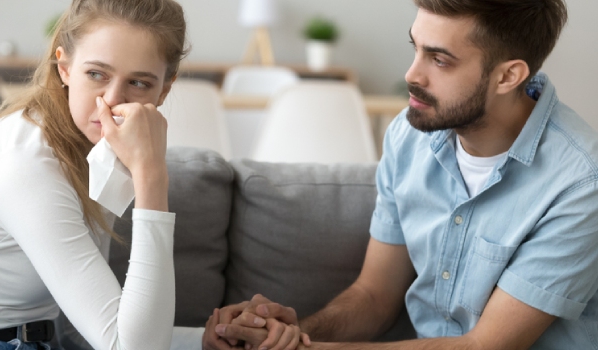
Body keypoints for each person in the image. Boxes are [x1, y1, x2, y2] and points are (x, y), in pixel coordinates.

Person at [203, 0, 598, 349]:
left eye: (440, 60)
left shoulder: (579, 182)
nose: (412, 75)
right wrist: (287, 333)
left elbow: (484, 346)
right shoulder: (409, 136)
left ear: (507, 77)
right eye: (416, 48)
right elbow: (374, 296)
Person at [0, 0, 188, 349]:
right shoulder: (26, 164)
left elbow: (96, 326)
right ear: (64, 67)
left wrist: (210, 339)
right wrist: (151, 174)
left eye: (138, 83)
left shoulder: (99, 150)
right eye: (96, 74)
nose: (111, 100)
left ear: (164, 90)